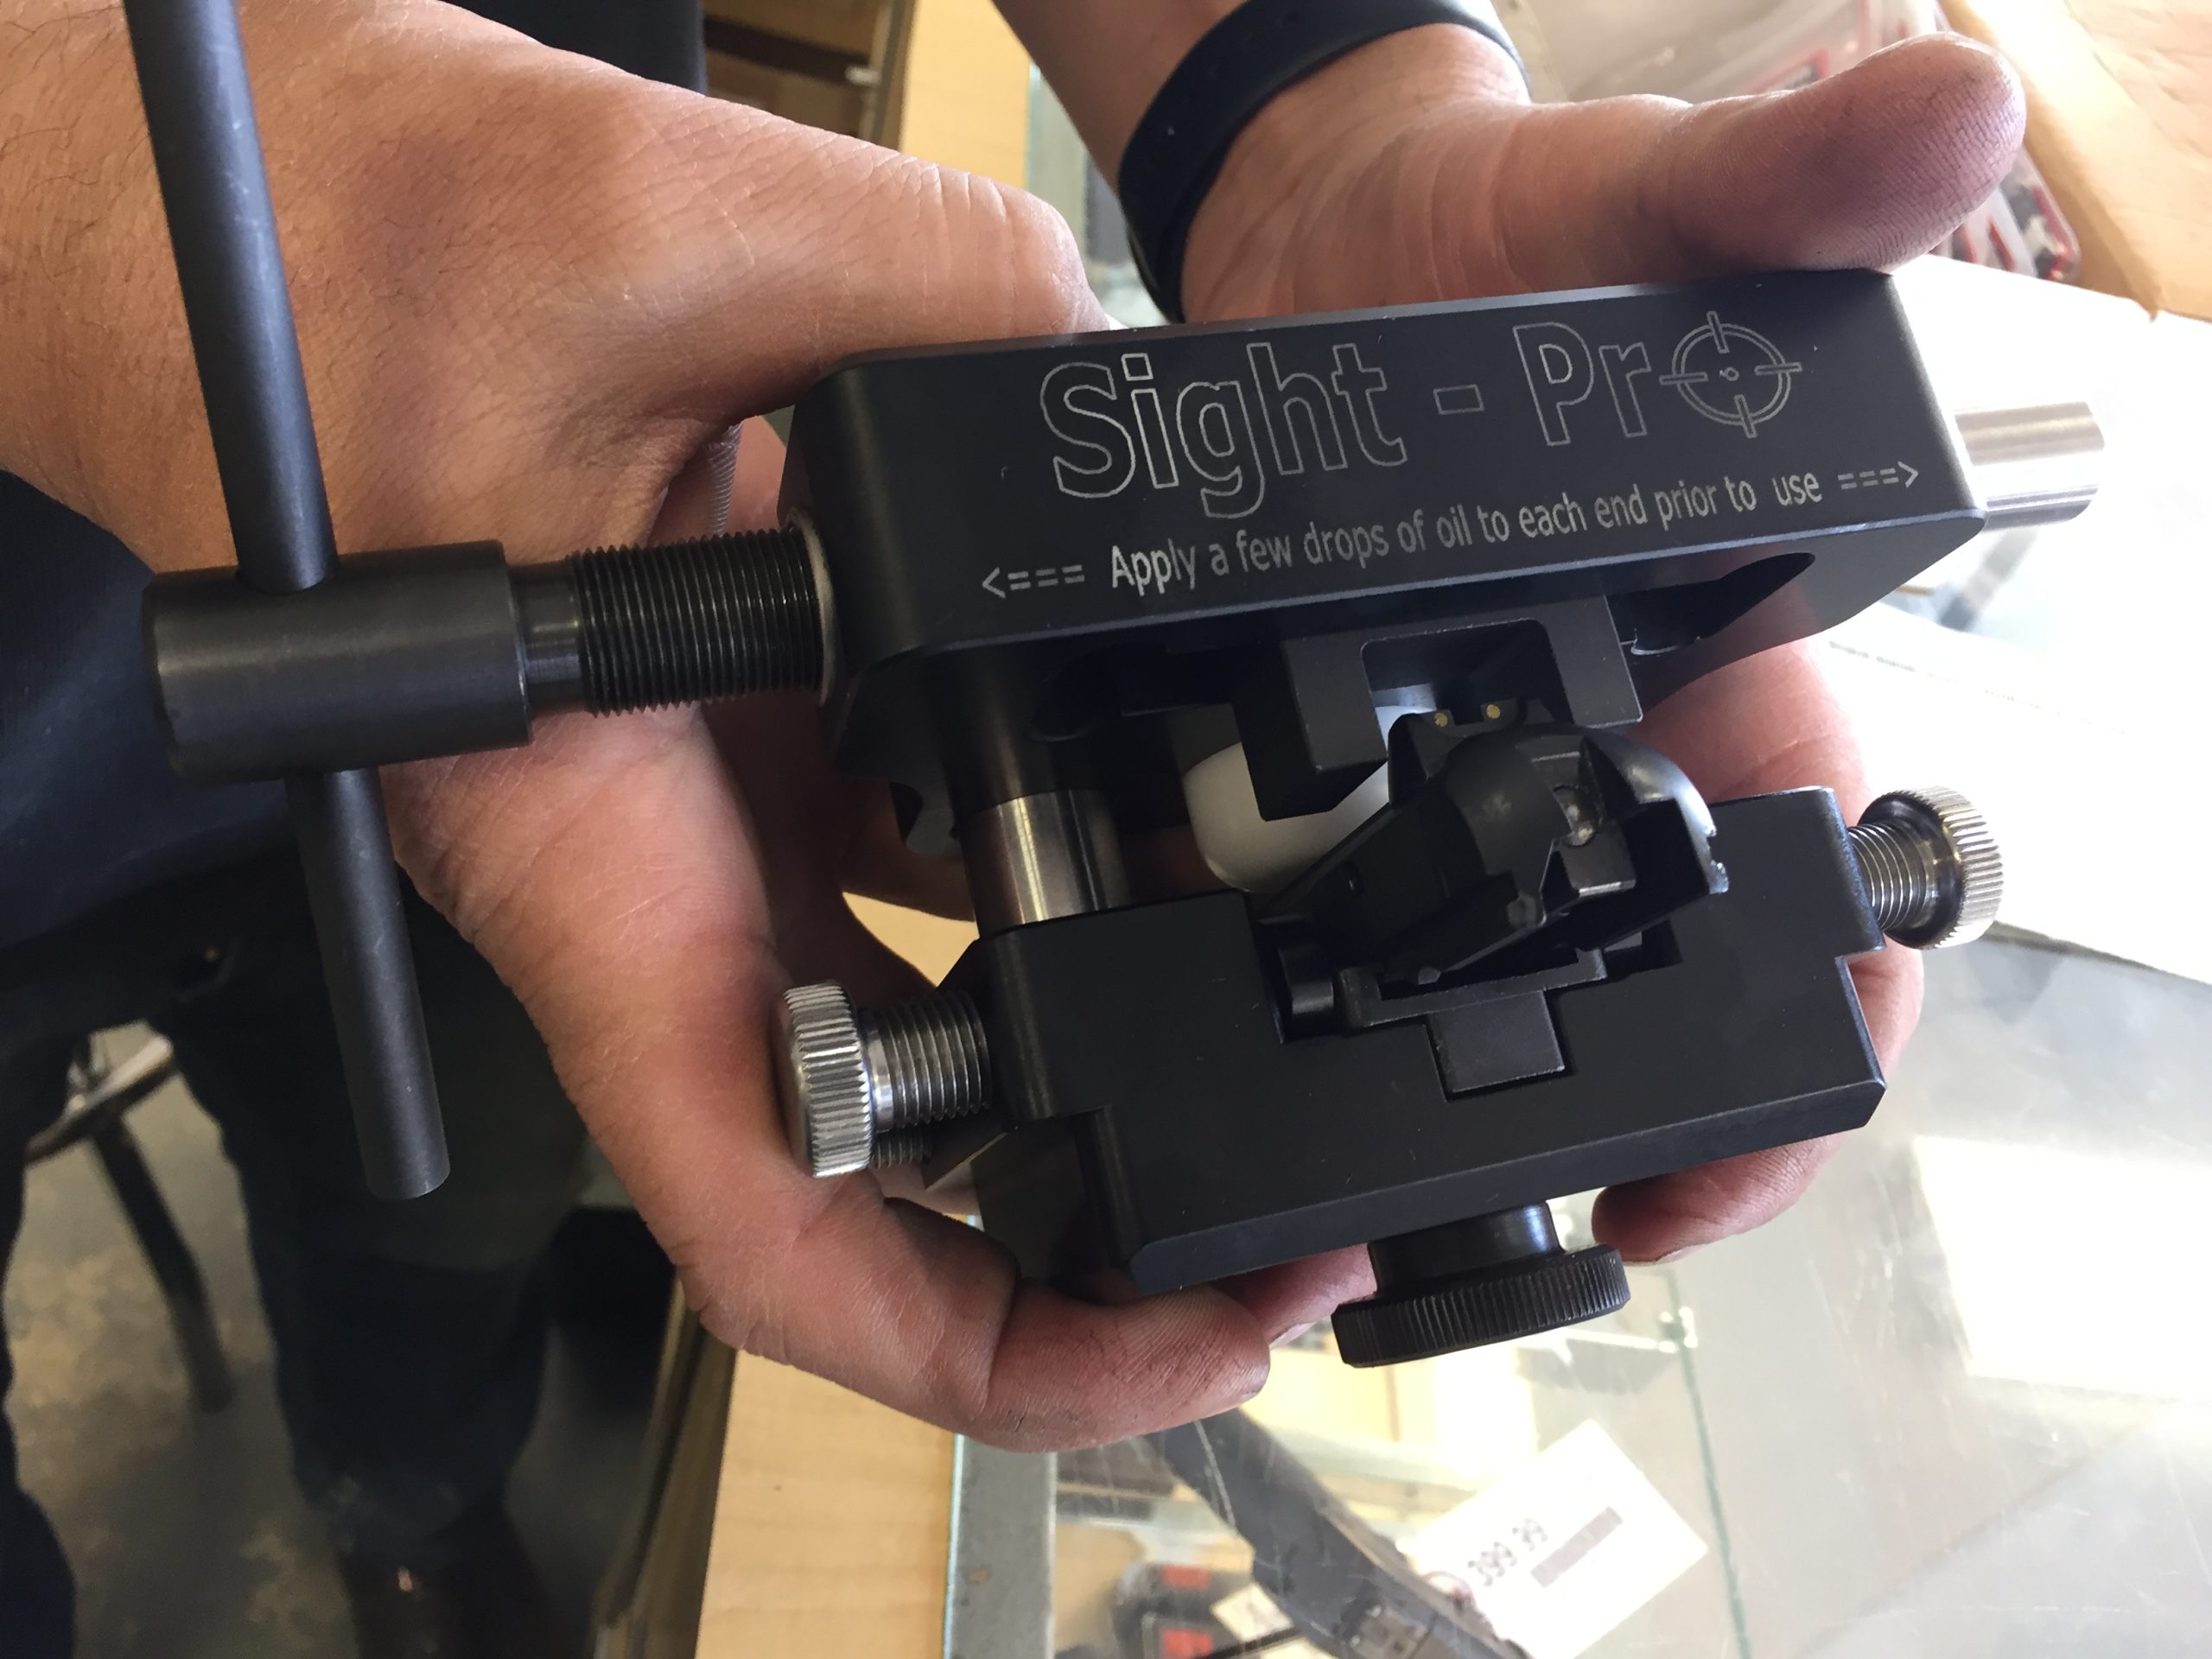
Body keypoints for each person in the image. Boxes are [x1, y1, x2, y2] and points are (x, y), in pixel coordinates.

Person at [0, 0, 2018, 1651]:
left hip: (500, 513)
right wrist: (79, 166)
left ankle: (412, 1506)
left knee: (438, 1206)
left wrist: (1310, 99)